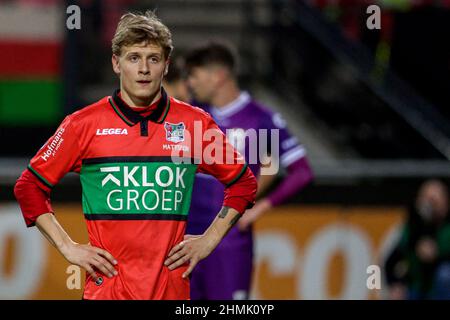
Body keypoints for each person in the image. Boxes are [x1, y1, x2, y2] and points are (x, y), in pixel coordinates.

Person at [13, 11, 257, 300]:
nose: (144, 68)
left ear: (166, 65)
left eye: (153, 59)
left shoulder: (194, 124)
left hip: (172, 293)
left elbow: (244, 183)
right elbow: (29, 187)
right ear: (116, 63)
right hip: (107, 294)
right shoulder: (83, 125)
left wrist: (209, 240)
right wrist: (67, 246)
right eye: (133, 58)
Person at [184, 42, 314, 300]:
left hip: (229, 242)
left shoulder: (259, 119)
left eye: (194, 76)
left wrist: (260, 208)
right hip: (186, 238)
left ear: (218, 76)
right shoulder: (194, 115)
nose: (190, 83)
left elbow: (301, 171)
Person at [385, 179, 450, 300]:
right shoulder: (413, 228)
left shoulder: (446, 228)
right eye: (426, 199)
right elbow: (390, 261)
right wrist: (395, 284)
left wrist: (437, 255)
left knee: (445, 274)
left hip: (440, 290)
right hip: (416, 290)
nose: (429, 205)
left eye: (434, 200)